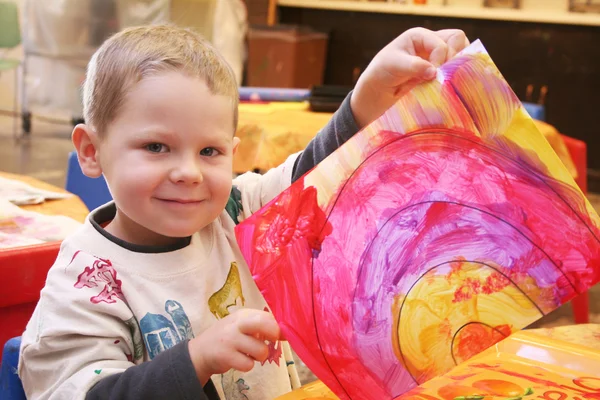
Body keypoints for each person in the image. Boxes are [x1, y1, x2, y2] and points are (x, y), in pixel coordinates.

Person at [18, 24, 469, 400]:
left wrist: (368, 97)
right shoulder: (85, 282)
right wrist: (195, 360)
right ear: (91, 152)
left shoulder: (235, 211)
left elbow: (314, 175)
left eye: (209, 151)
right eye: (156, 147)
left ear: (233, 153)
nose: (189, 172)